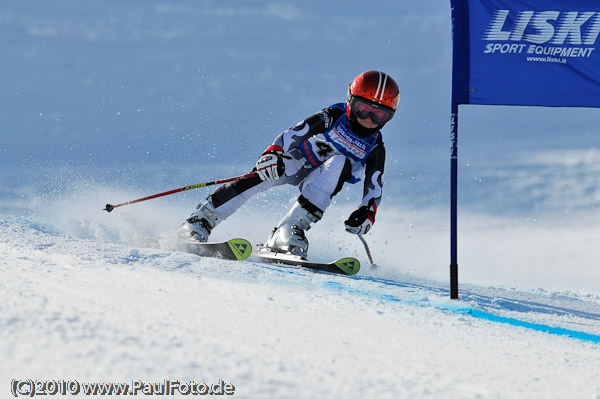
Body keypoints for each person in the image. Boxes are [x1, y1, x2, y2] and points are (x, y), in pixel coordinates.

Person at [178, 70, 400, 259]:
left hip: (325, 179)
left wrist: (367, 212)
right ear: (351, 100)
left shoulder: (375, 148)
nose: (368, 120)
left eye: (379, 115)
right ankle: (201, 220)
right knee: (264, 175)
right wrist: (273, 153)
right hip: (299, 160)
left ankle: (286, 233)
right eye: (363, 109)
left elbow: (374, 187)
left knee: (340, 163)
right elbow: (296, 132)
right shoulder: (334, 115)